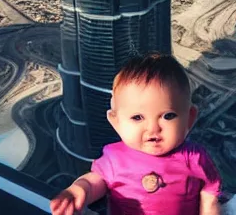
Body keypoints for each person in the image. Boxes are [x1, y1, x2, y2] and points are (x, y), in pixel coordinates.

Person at [50, 53, 222, 215]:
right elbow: (96, 181)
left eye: (168, 116)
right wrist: (80, 189)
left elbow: (209, 191)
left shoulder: (193, 157)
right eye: (138, 117)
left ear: (189, 119)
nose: (153, 128)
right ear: (116, 122)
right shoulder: (115, 159)